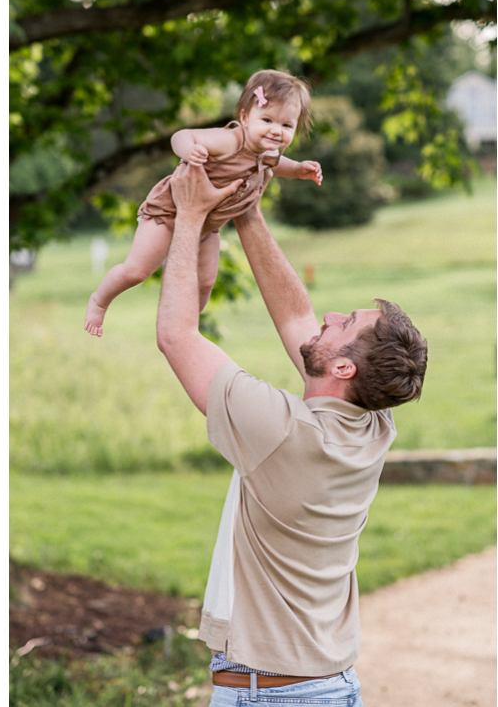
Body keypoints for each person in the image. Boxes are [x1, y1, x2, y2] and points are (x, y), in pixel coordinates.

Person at [155, 163, 427, 705]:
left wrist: (189, 216)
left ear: (346, 368)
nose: (327, 314)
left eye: (344, 322)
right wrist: (248, 214)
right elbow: (297, 317)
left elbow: (176, 335)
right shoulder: (374, 425)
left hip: (272, 695)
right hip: (332, 684)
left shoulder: (282, 433)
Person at [85, 69, 323, 337]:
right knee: (137, 270)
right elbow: (180, 136)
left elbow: (276, 164)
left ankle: (186, 328)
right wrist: (190, 149)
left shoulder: (267, 152)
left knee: (206, 282)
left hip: (207, 226)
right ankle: (99, 301)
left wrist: (298, 169)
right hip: (170, 212)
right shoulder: (230, 140)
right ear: (245, 117)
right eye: (267, 119)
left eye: (286, 126)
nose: (275, 131)